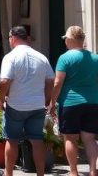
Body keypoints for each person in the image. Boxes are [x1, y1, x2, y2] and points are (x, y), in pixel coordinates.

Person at [0, 25, 54, 176]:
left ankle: (9, 174)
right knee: (37, 140)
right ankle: (40, 174)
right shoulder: (42, 57)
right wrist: (47, 100)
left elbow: (4, 81)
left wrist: (1, 100)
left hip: (16, 105)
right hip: (37, 105)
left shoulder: (10, 57)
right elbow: (50, 81)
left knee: (12, 140)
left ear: (13, 38)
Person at [49, 25, 98, 176]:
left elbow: (58, 82)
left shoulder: (65, 58)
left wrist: (52, 102)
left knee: (70, 138)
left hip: (70, 103)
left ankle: (74, 171)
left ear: (70, 40)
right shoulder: (95, 58)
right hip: (92, 102)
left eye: (65, 39)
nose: (65, 42)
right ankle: (92, 170)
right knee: (89, 138)